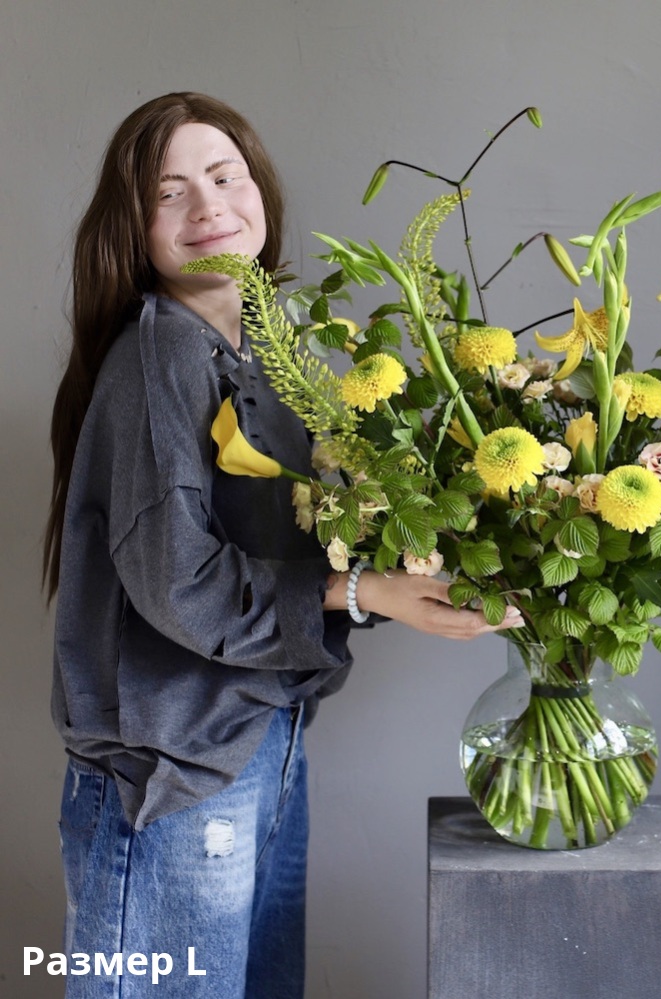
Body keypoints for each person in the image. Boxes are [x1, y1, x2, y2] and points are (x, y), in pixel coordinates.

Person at [42, 91, 522, 999]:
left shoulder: (267, 344)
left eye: (225, 176)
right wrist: (366, 592)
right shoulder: (160, 357)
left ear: (259, 187)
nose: (207, 207)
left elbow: (305, 524)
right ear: (131, 228)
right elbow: (180, 582)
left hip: (259, 737)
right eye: (168, 193)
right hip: (174, 774)